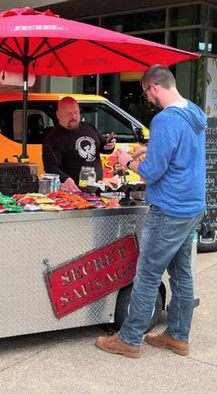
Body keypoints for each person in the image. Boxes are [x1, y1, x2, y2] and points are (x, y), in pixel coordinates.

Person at [95, 64, 207, 359]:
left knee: (146, 274)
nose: (147, 100)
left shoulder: (165, 120)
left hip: (169, 208)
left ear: (154, 87)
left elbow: (153, 172)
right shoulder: (193, 112)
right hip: (192, 206)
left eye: (146, 94)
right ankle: (178, 336)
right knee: (182, 275)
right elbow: (179, 149)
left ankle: (130, 339)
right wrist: (144, 149)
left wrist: (126, 161)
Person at [42, 96, 116, 192]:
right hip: (73, 191)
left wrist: (109, 146)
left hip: (97, 188)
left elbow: (102, 147)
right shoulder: (52, 138)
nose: (73, 117)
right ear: (58, 114)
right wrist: (66, 179)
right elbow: (51, 168)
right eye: (69, 114)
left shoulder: (88, 127)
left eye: (76, 113)